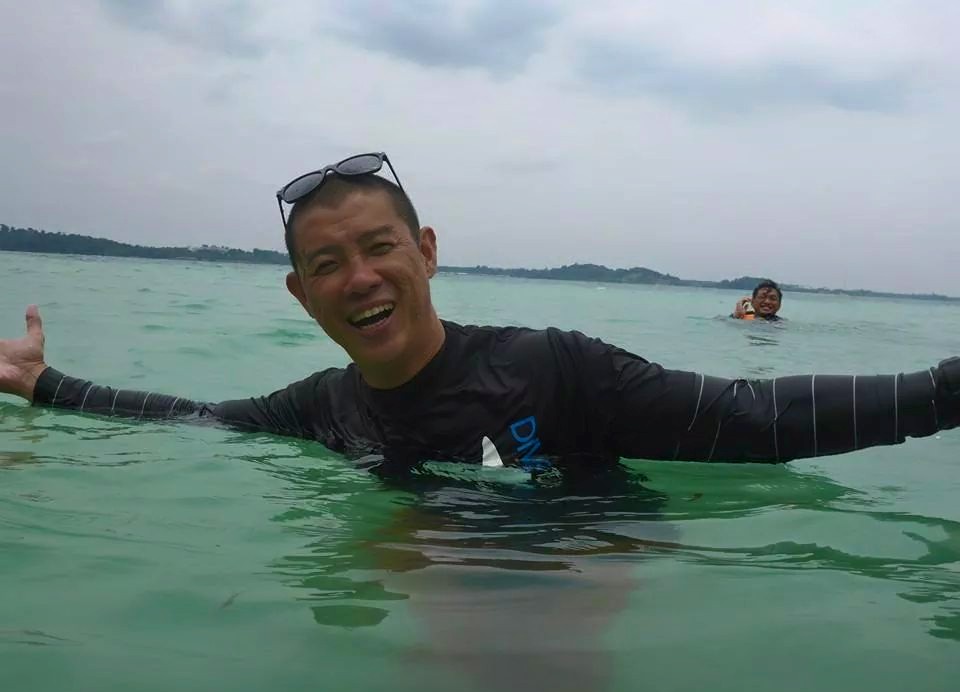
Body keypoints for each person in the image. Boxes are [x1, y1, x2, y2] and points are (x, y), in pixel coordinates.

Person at [1, 151, 959, 471]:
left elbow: (753, 418)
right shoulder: (324, 406)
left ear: (426, 251)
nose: (360, 278)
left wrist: (946, 390)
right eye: (327, 264)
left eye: (380, 247)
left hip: (582, 565)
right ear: (302, 294)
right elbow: (198, 418)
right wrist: (47, 386)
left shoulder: (548, 365)